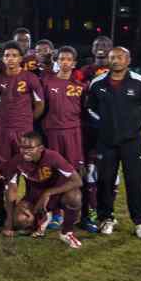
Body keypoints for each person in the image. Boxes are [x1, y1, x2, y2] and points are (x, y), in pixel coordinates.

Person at [88, 46, 141, 239]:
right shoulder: (97, 83)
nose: (116, 60)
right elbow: (90, 108)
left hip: (132, 142)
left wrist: (134, 128)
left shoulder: (140, 83)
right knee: (105, 181)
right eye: (112, 57)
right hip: (106, 142)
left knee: (136, 181)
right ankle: (106, 219)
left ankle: (140, 222)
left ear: (128, 60)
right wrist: (105, 126)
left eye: (120, 57)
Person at [0, 131, 84, 249]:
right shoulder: (17, 160)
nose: (25, 151)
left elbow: (77, 181)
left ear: (41, 148)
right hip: (34, 198)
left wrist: (48, 192)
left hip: (57, 196)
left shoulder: (53, 157)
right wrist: (9, 221)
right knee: (20, 219)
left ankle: (66, 232)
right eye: (22, 147)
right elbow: (11, 189)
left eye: (29, 147)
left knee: (74, 197)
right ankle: (41, 219)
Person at [40, 46, 92, 231]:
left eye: (69, 59)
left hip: (73, 135)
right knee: (54, 173)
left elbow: (86, 113)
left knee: (75, 172)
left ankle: (78, 212)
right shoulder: (46, 82)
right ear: (56, 61)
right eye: (61, 59)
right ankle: (55, 213)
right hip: (52, 133)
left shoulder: (80, 87)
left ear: (74, 63)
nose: (65, 62)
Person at [76, 34, 114, 228]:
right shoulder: (84, 71)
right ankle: (88, 213)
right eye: (97, 44)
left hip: (110, 131)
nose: (101, 47)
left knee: (110, 173)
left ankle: (108, 212)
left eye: (106, 44)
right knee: (88, 171)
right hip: (87, 128)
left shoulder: (118, 71)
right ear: (92, 49)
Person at [0, 41, 45, 161]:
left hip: (24, 127)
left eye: (14, 55)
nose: (10, 59)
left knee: (24, 160)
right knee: (3, 161)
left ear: (21, 58)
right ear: (3, 59)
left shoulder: (31, 78)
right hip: (4, 127)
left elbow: (40, 104)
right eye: (7, 55)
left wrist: (27, 119)